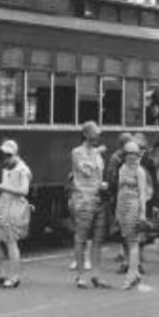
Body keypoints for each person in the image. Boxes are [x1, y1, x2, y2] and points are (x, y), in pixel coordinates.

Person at [0, 139, 32, 289]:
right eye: (2, 157)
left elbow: (24, 191)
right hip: (2, 206)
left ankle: (14, 277)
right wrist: (0, 188)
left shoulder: (23, 170)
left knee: (11, 242)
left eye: (6, 157)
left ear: (14, 155)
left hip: (14, 208)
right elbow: (8, 188)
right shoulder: (7, 167)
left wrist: (2, 187)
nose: (3, 160)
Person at [69, 121, 109, 289]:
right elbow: (87, 171)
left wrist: (102, 184)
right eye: (95, 134)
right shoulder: (77, 152)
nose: (98, 138)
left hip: (98, 198)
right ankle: (80, 276)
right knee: (81, 239)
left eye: (98, 134)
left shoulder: (96, 153)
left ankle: (96, 275)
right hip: (83, 200)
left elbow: (96, 175)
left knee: (98, 240)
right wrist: (96, 153)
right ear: (85, 134)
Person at [115, 141, 152, 290]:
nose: (131, 157)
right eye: (128, 154)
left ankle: (131, 275)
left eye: (134, 154)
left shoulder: (140, 171)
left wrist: (142, 214)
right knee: (129, 241)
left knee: (133, 242)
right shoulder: (122, 169)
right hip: (123, 207)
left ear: (138, 155)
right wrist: (117, 210)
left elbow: (143, 194)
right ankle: (135, 274)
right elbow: (119, 190)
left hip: (134, 207)